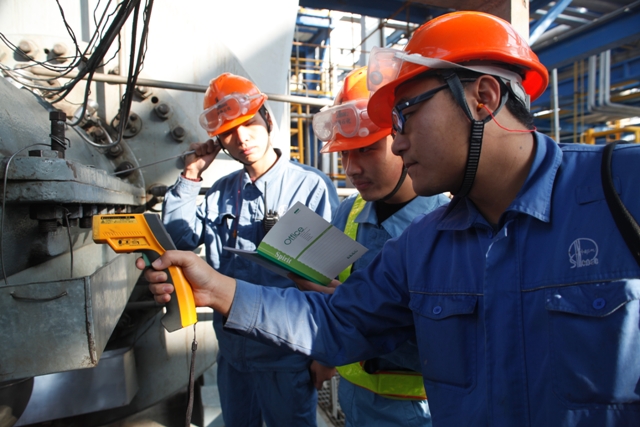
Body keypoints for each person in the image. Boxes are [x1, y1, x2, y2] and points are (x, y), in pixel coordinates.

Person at [142, 12, 640, 427]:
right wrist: (216, 289)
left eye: (405, 115)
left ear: (483, 99)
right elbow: (337, 321)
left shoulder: (623, 190)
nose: (397, 142)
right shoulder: (424, 245)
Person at [161, 72, 339, 427]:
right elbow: (179, 241)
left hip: (287, 355)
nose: (241, 138)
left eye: (249, 123)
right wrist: (191, 176)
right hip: (233, 356)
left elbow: (328, 279)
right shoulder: (221, 192)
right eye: (229, 132)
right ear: (218, 141)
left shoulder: (310, 187)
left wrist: (326, 354)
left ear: (268, 119)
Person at [300, 66, 448, 427]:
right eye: (344, 154)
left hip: (422, 412)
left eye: (366, 149)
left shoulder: (448, 225)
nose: (351, 169)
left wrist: (355, 310)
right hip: (355, 403)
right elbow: (328, 289)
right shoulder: (347, 212)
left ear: (403, 138)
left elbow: (453, 343)